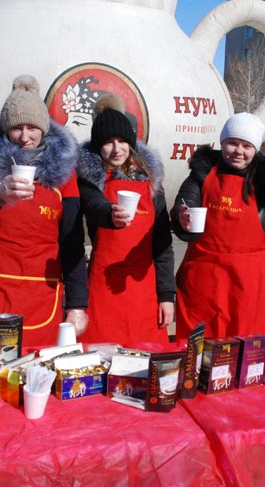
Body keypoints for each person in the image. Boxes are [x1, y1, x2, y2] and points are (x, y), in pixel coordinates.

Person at [0, 75, 88, 346]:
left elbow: (72, 239)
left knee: (38, 368)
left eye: (32, 127)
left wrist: (78, 303)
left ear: (45, 128)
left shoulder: (65, 171)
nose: (25, 136)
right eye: (17, 128)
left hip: (43, 291)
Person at [170, 112, 265, 340]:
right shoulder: (200, 175)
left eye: (246, 146)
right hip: (203, 283)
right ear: (222, 143)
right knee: (198, 356)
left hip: (253, 289)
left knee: (249, 358)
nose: (238, 151)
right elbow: (185, 201)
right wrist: (182, 218)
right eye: (232, 143)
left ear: (256, 150)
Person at [76, 95, 175, 344]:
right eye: (108, 142)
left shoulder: (151, 183)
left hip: (143, 289)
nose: (116, 148)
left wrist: (166, 295)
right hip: (102, 289)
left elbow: (163, 245)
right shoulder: (89, 182)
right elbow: (93, 206)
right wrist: (110, 213)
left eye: (122, 141)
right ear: (98, 146)